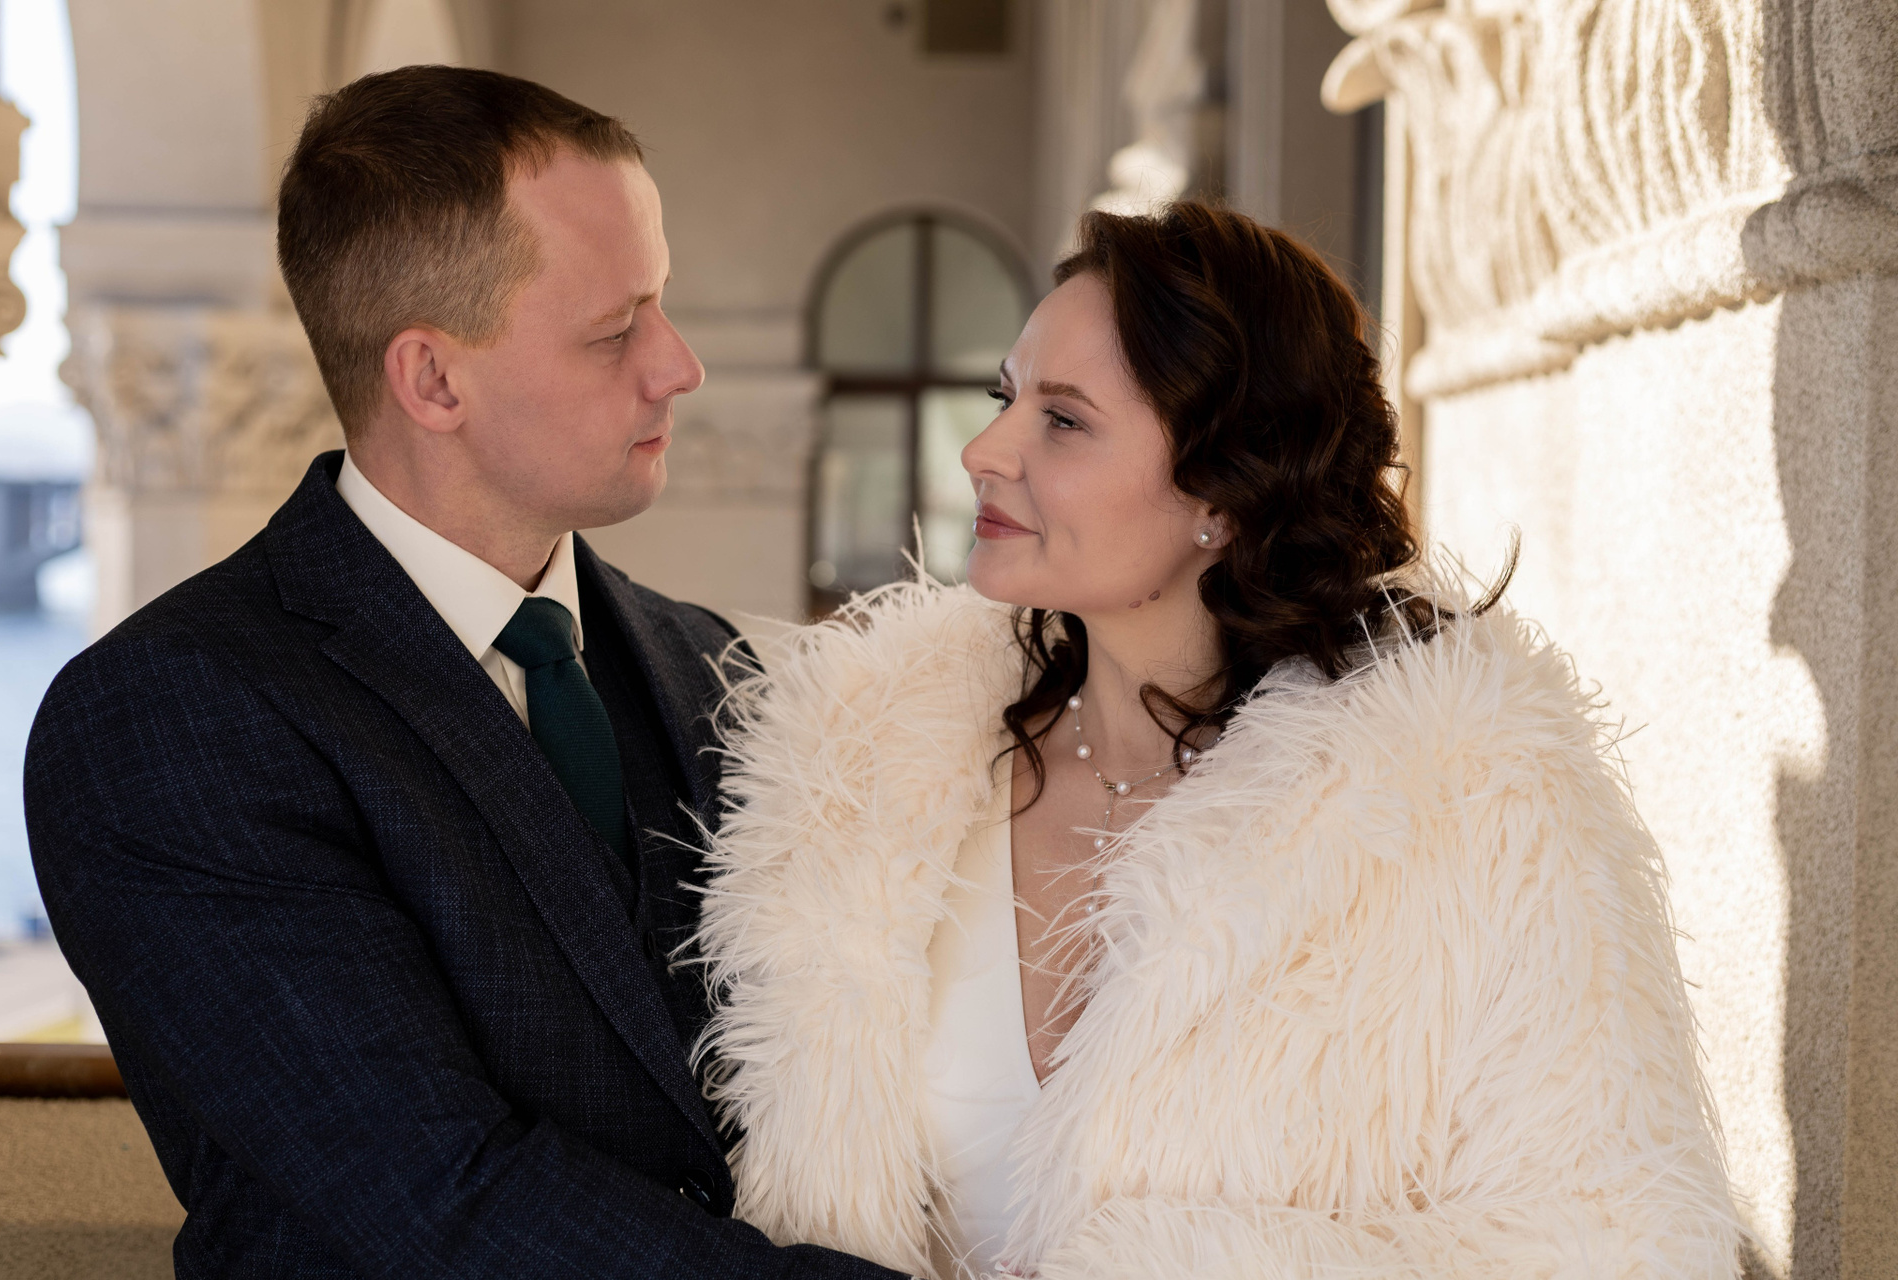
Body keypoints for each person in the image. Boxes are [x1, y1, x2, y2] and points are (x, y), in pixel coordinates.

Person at [690, 203, 1744, 1278]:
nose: (982, 450)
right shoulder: (866, 781)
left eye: (1064, 421)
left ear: (1225, 495)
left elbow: (1623, 1238)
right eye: (1007, 398)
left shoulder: (1472, 806)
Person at [25, 66, 902, 1280]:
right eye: (616, 331)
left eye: (663, 304)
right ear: (432, 379)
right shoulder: (166, 714)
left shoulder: (721, 668)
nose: (678, 366)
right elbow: (435, 1198)